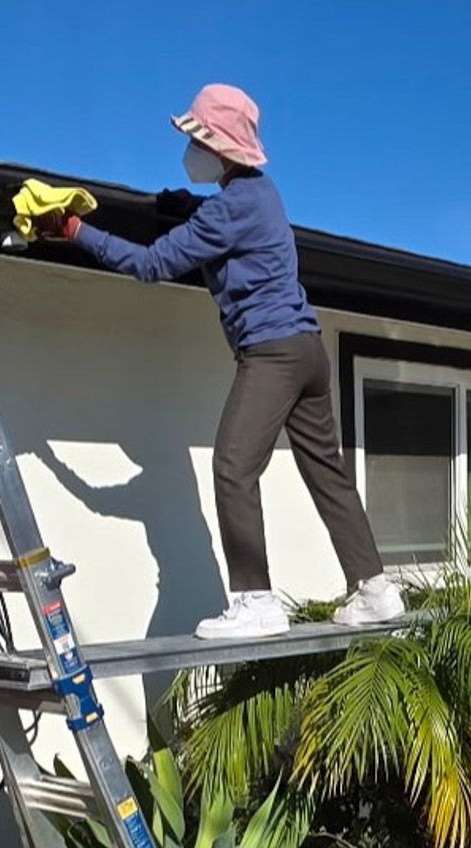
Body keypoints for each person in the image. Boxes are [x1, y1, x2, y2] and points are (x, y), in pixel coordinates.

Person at [40, 83, 404, 640]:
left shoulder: (230, 209)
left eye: (194, 140)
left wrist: (75, 231)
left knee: (233, 468)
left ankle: (256, 601)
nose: (188, 150)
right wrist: (186, 208)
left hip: (272, 354)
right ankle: (375, 589)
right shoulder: (262, 193)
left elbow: (151, 264)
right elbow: (226, 223)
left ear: (220, 148)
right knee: (327, 473)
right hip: (308, 353)